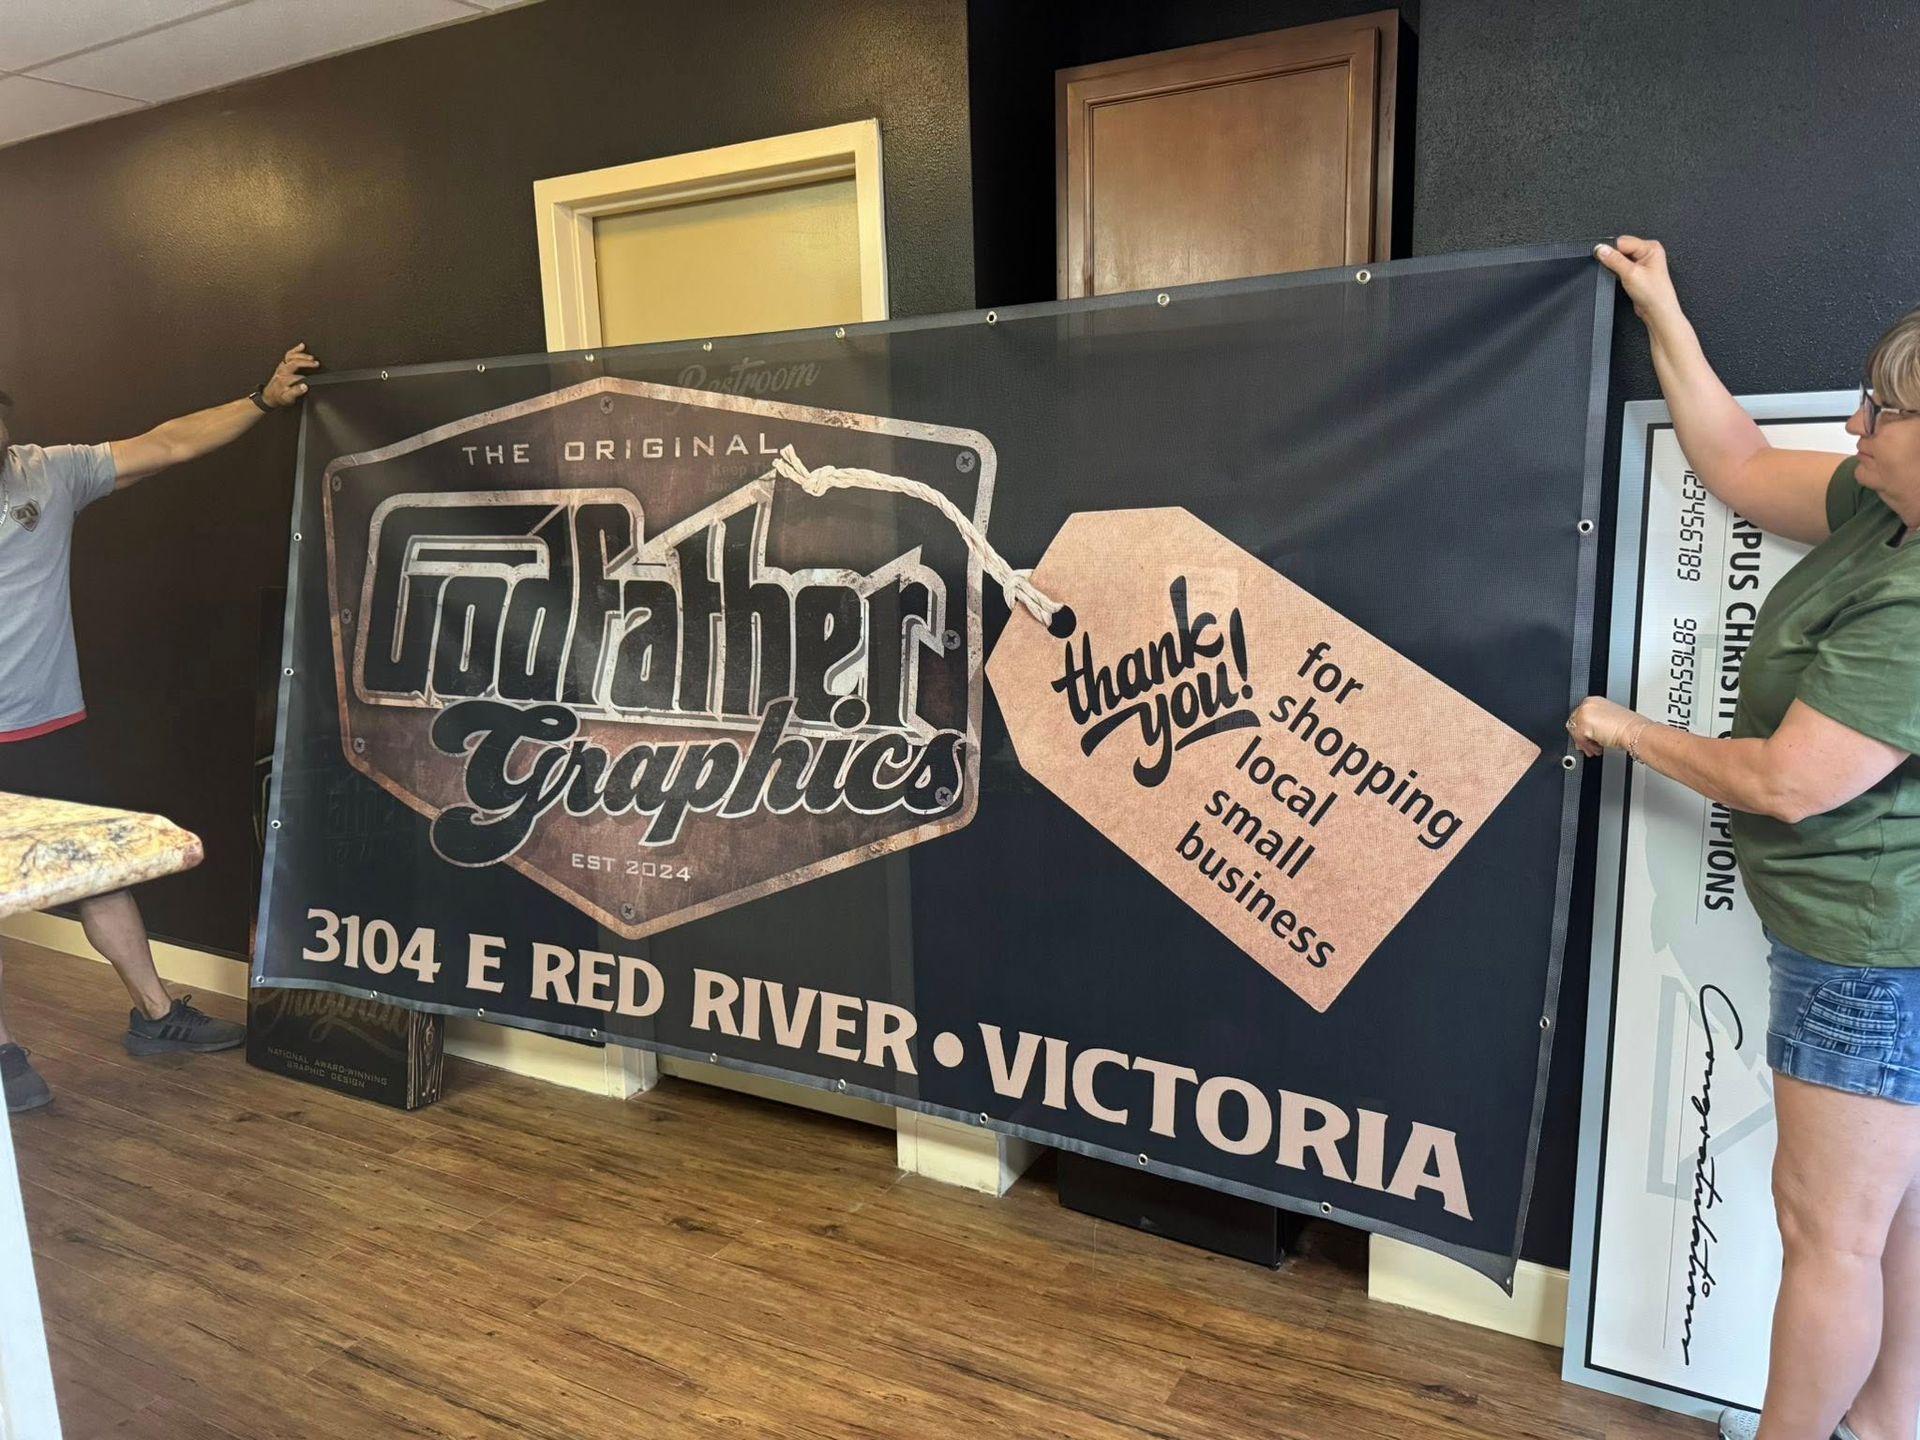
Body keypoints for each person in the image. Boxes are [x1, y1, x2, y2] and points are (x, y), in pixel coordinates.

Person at [1570, 237, 1920, 1440]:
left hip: (1872, 955)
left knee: (1828, 1236)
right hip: (1875, 943)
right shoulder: (1883, 512)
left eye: (1886, 407)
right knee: (1887, 1227)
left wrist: (1625, 728)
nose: (1858, 417)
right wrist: (1662, 305)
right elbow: (1740, 460)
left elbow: (1787, 784)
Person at [0, 345, 319, 1114]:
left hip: (45, 725)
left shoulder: (49, 473)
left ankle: (156, 1015)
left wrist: (262, 400)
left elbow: (169, 443)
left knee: (102, 870)